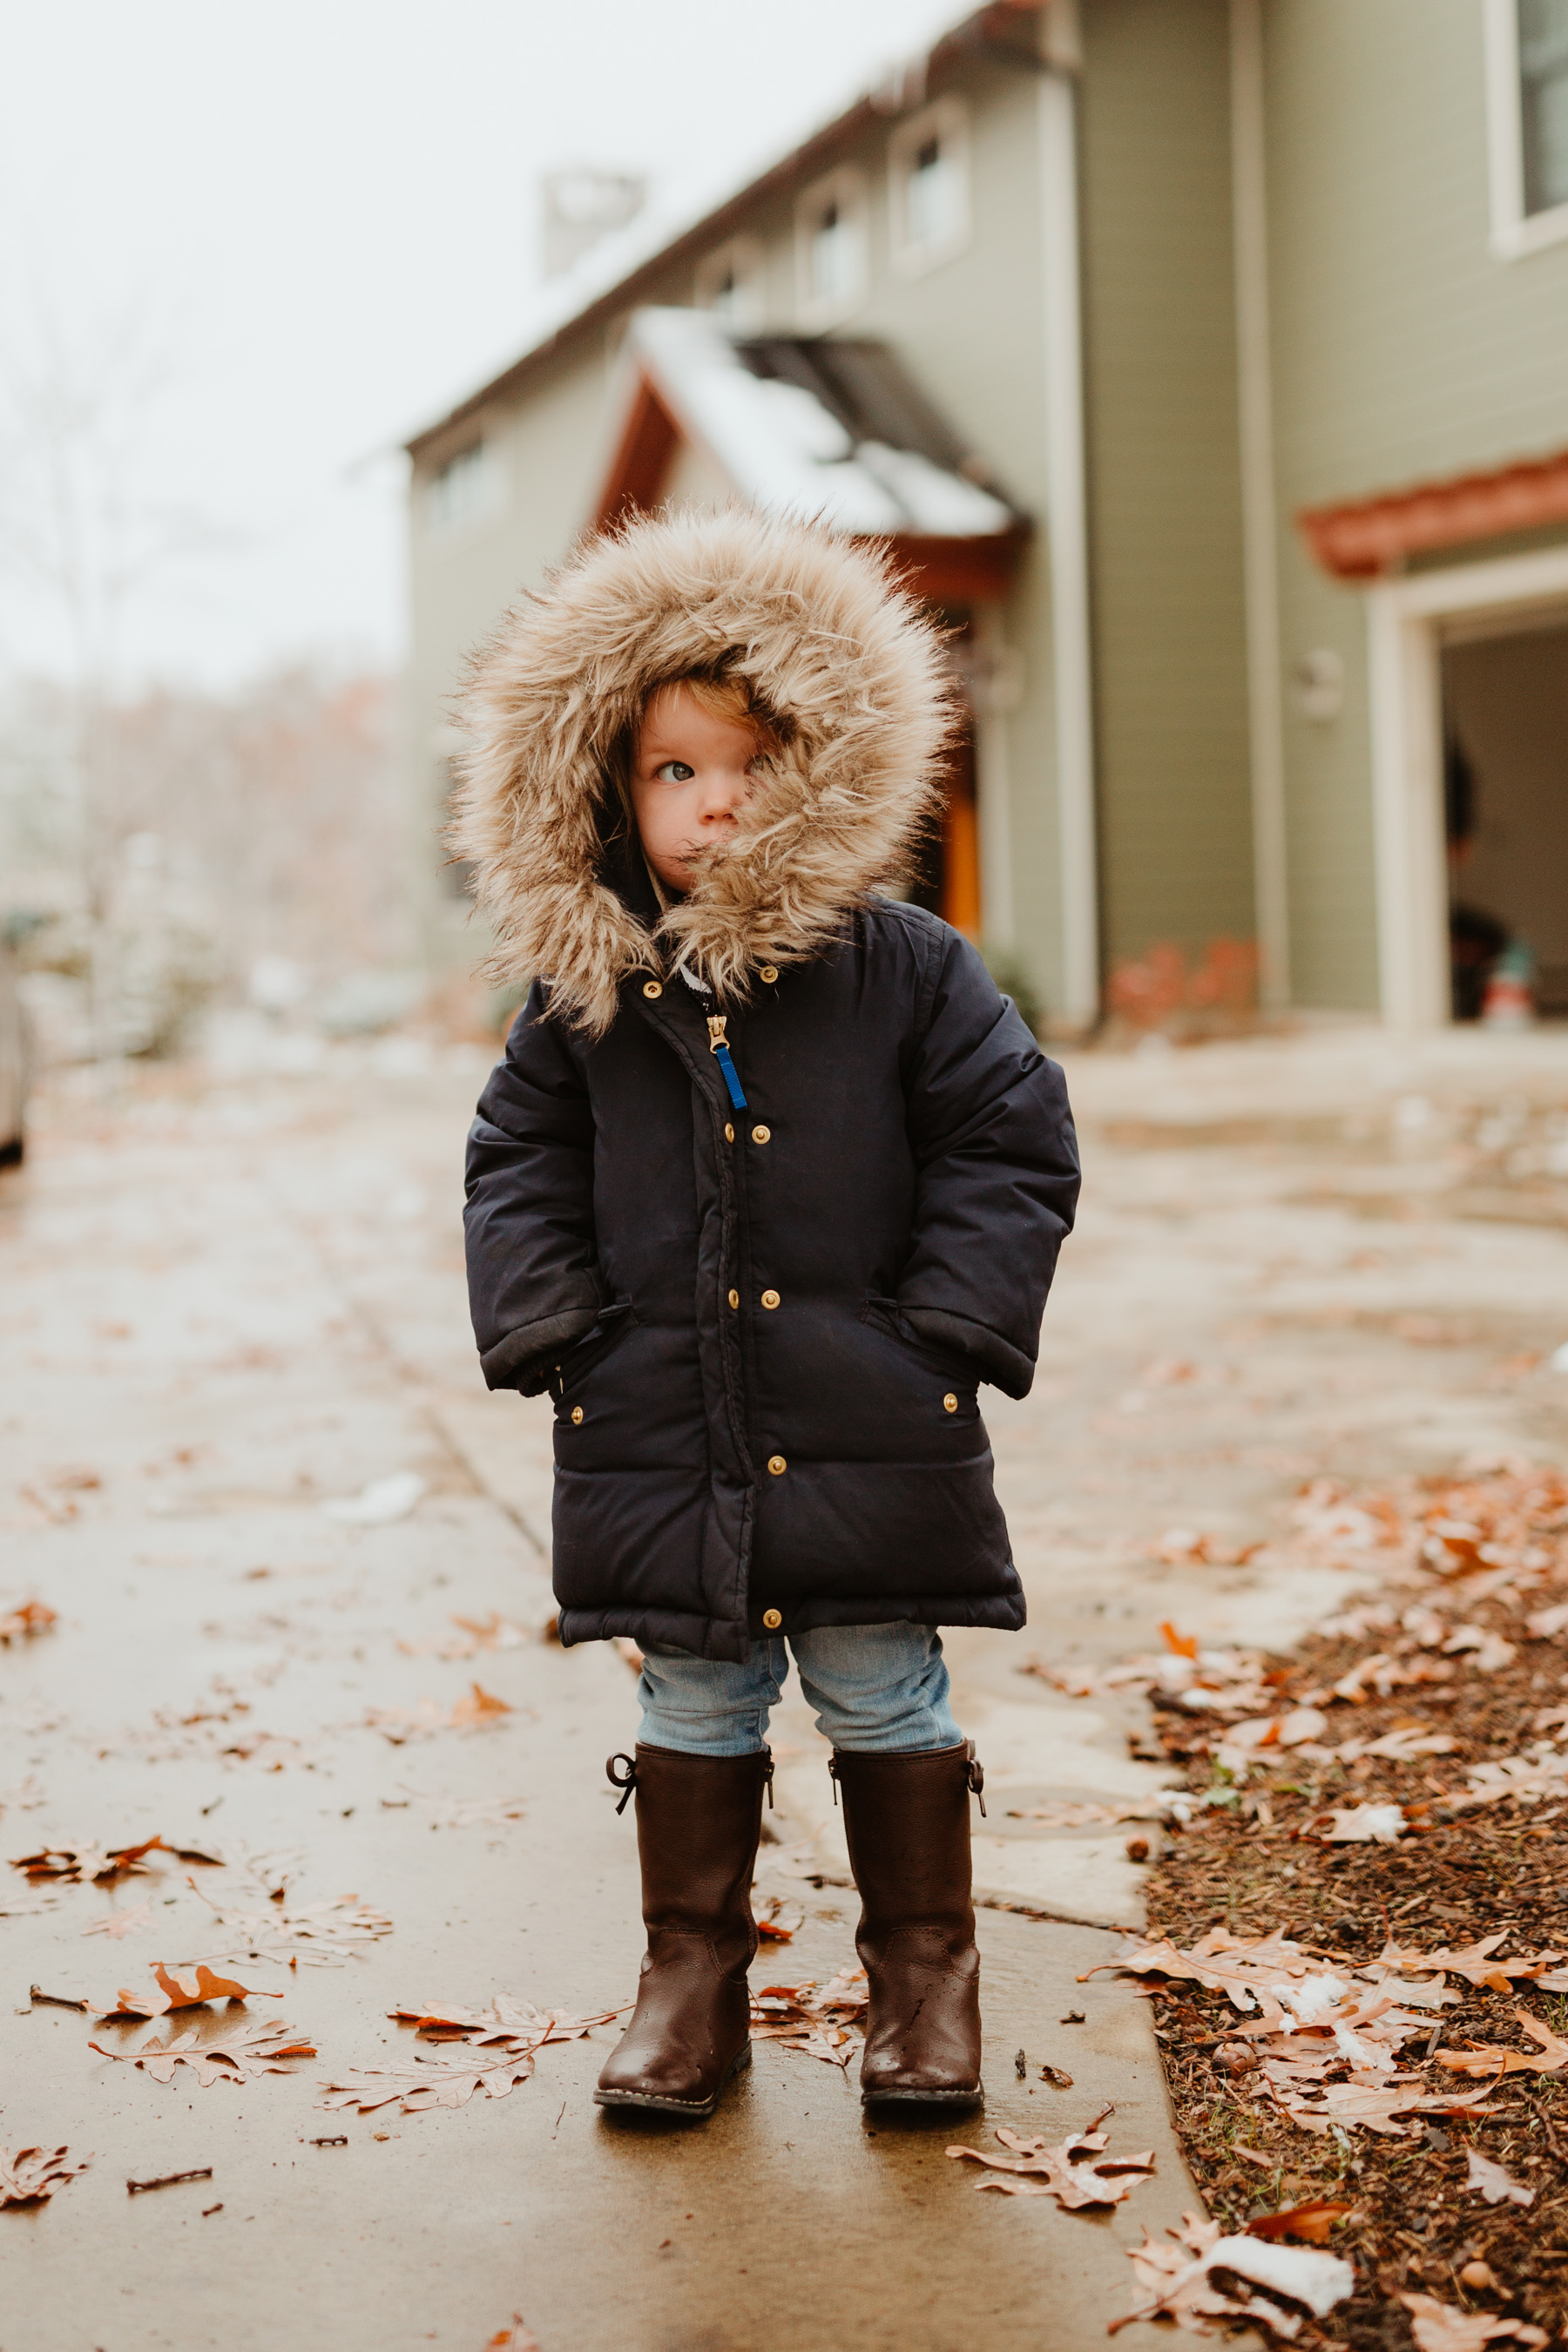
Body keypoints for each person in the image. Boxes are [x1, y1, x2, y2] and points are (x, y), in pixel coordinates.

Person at [457, 508, 1079, 2122]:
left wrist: (946, 1326)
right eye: (672, 770)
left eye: (746, 761)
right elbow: (516, 1160)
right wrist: (558, 1328)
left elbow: (1010, 1135)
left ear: (817, 765)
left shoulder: (904, 970)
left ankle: (924, 1983)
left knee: (885, 1683)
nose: (713, 797)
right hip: (662, 1418)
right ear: (607, 789)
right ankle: (694, 1983)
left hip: (869, 1414)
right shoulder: (590, 997)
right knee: (693, 1690)